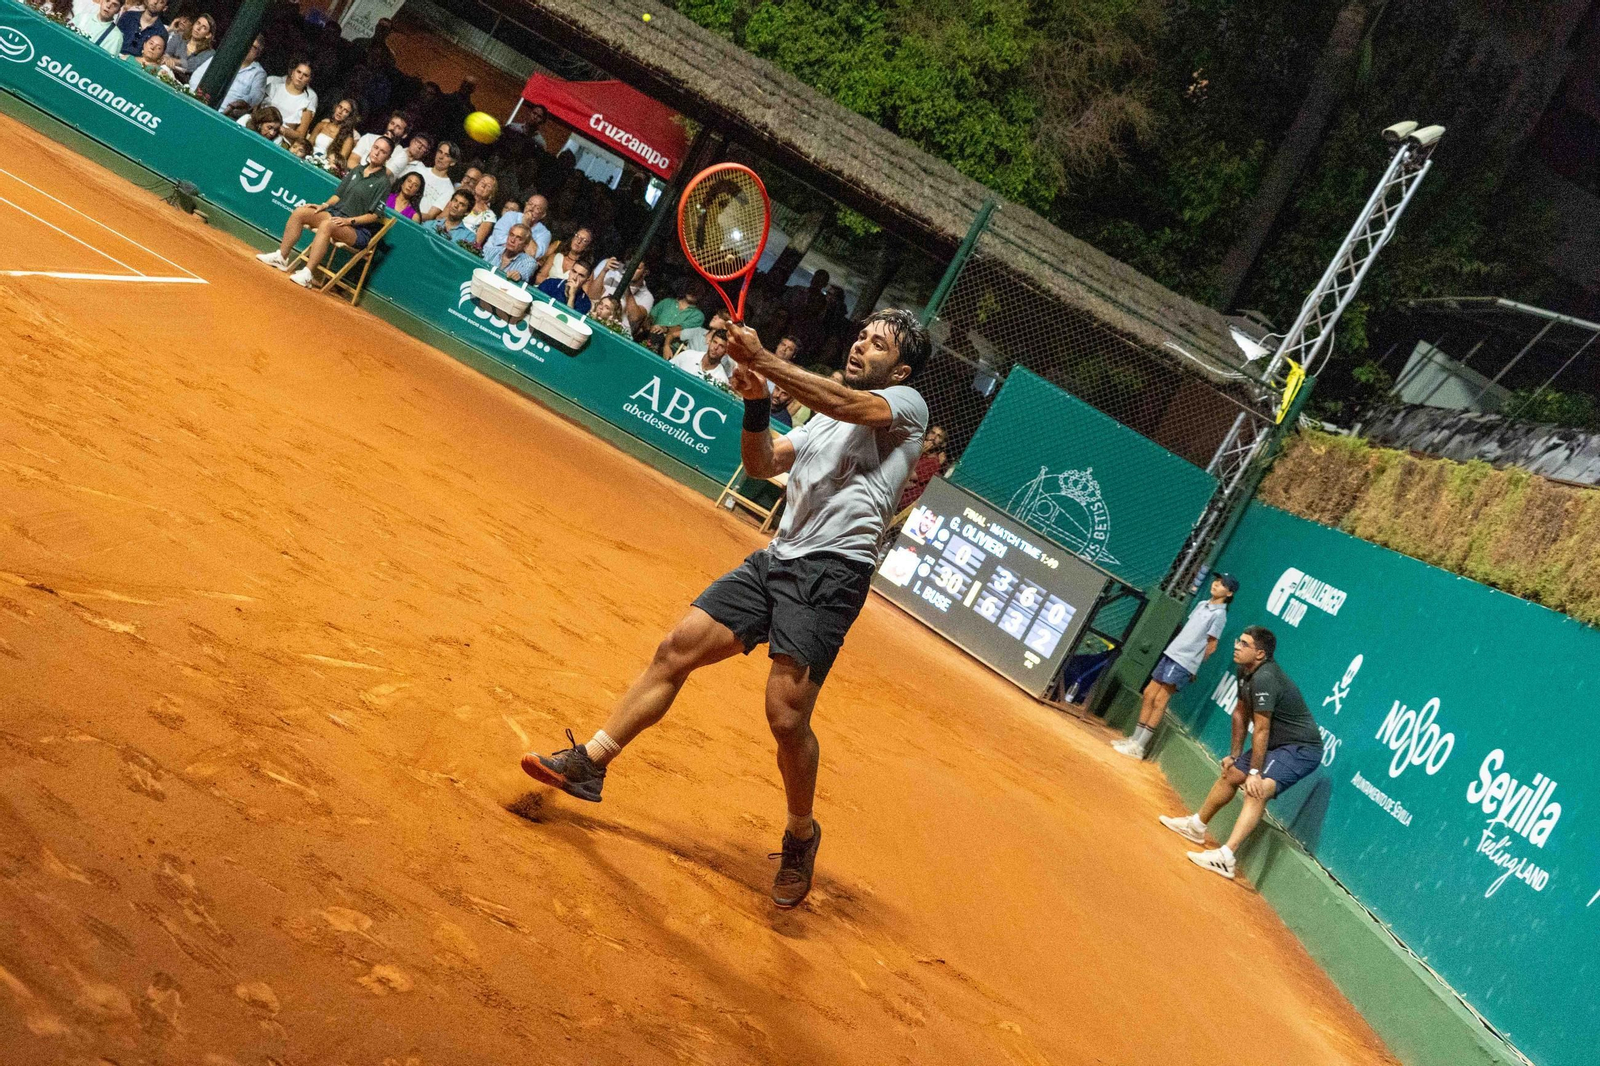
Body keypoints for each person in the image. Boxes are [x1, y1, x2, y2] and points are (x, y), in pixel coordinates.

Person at [518, 310, 932, 909]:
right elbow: (763, 464)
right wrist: (758, 402)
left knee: (786, 718)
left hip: (831, 574)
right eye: (862, 335)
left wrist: (763, 360)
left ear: (902, 368)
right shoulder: (820, 419)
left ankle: (799, 835)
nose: (863, 345)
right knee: (675, 648)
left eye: (880, 344)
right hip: (779, 558)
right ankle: (592, 762)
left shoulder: (905, 406)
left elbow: (850, 407)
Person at [1159, 626, 1324, 880]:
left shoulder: (1266, 678)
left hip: (1300, 749)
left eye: (1244, 644)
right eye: (1238, 641)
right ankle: (1196, 826)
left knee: (1257, 790)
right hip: (1277, 744)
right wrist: (1235, 755)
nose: (1237, 646)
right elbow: (1239, 713)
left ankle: (1226, 857)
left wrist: (1256, 773)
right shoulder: (1245, 670)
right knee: (1232, 774)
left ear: (1259, 654)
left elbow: (1261, 728)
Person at [1115, 574, 1237, 759]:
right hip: (1171, 654)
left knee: (1160, 700)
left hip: (1184, 662)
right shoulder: (1201, 604)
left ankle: (1140, 747)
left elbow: (1211, 646)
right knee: (1149, 693)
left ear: (1229, 593)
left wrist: (1193, 666)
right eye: (1216, 581)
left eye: (1222, 585)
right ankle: (1134, 739)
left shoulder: (1219, 615)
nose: (1216, 585)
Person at [255, 136, 393, 289]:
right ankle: (282, 257)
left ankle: (308, 273)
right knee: (301, 212)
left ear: (388, 157)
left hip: (357, 230)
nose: (377, 153)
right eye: (376, 148)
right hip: (336, 215)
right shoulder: (357, 170)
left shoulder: (383, 183)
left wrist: (349, 221)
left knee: (327, 225)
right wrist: (324, 205)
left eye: (383, 152)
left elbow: (374, 216)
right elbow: (338, 195)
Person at [191, 34, 266, 116]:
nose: (248, 48)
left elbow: (256, 97)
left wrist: (239, 103)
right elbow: (197, 75)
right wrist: (194, 95)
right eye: (247, 43)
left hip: (227, 114)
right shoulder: (223, 57)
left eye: (253, 47)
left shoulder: (258, 73)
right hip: (199, 102)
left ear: (258, 53)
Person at [894, 424, 949, 511]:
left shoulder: (933, 462)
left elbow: (906, 474)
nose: (933, 438)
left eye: (939, 437)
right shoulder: (919, 451)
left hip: (900, 502)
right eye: (932, 433)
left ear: (942, 444)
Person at [263, 61, 318, 148]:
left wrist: (281, 129)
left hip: (281, 141)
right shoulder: (273, 87)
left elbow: (301, 135)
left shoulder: (307, 104)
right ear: (292, 73)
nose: (300, 77)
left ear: (309, 80)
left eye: (305, 75)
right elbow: (257, 109)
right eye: (298, 72)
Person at [482, 195, 550, 263]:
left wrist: (526, 225)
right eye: (530, 204)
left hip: (517, 265)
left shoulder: (545, 234)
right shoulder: (510, 216)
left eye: (537, 208)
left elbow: (533, 254)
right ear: (526, 205)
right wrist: (523, 250)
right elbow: (498, 239)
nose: (531, 208)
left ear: (543, 214)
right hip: (491, 255)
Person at [403, 141, 458, 221]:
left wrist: (409, 215)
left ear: (452, 162)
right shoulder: (419, 170)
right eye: (440, 152)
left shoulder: (448, 190)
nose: (441, 157)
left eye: (447, 155)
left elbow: (430, 215)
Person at [646, 285, 704, 358]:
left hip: (671, 347)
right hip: (651, 337)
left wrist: (665, 328)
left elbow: (681, 328)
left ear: (701, 295)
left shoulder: (698, 315)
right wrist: (650, 327)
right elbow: (650, 318)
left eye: (698, 291)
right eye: (691, 288)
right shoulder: (666, 302)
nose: (693, 292)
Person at [669, 322, 735, 387]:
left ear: (726, 351)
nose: (715, 347)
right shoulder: (688, 355)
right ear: (709, 342)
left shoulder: (721, 381)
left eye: (721, 346)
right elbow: (668, 370)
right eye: (714, 342)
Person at [160, 11, 213, 83]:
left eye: (204, 27)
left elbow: (191, 65)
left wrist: (173, 61)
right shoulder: (179, 37)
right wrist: (166, 57)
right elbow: (167, 52)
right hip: (166, 72)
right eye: (198, 23)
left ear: (208, 35)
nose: (198, 28)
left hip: (184, 83)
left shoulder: (208, 52)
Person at [308, 99, 361, 169]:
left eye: (346, 111)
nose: (340, 112)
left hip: (326, 168)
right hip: (309, 159)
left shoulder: (348, 139)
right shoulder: (321, 125)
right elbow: (308, 145)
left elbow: (339, 163)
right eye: (340, 107)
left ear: (350, 116)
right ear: (336, 107)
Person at [464, 174, 499, 248]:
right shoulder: (462, 198)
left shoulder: (489, 216)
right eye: (482, 182)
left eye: (488, 186)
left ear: (491, 194)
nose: (484, 185)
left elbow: (477, 242)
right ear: (476, 184)